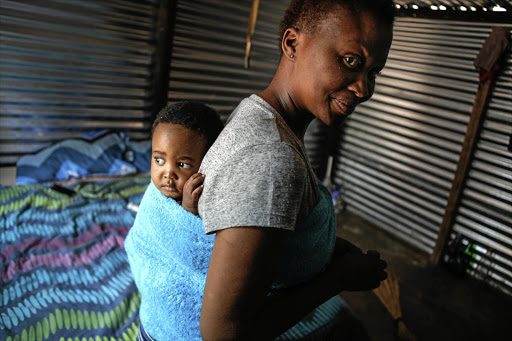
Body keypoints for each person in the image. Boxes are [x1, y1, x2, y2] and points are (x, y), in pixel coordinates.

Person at [198, 0, 395, 340]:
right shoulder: (273, 160)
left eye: (373, 72)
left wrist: (323, 247)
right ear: (292, 44)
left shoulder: (258, 113)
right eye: (351, 61)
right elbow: (223, 334)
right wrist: (337, 280)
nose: (363, 89)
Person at [124, 101, 223, 340]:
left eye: (182, 164)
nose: (168, 173)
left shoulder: (210, 197)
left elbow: (200, 246)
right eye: (159, 160)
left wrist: (190, 207)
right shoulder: (155, 195)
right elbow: (142, 243)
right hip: (151, 324)